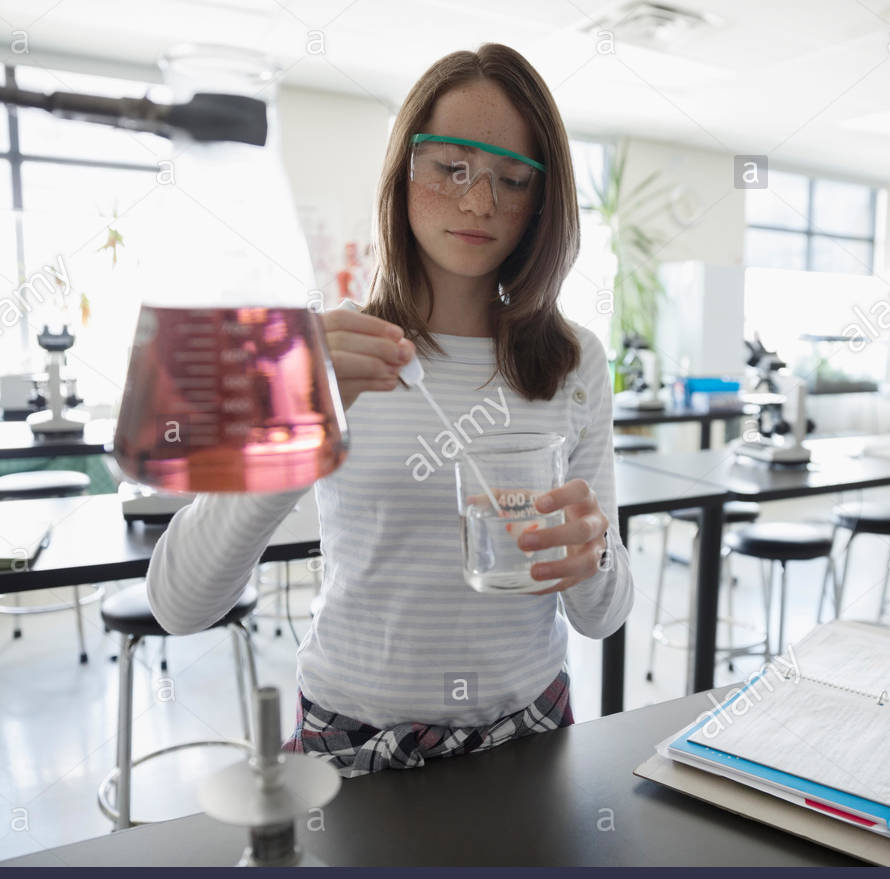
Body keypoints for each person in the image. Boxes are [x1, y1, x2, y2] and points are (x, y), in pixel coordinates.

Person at [147, 43, 634, 776]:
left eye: (511, 180)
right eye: (452, 169)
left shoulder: (572, 360)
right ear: (403, 171)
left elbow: (603, 616)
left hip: (528, 738)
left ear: (543, 203)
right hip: (352, 741)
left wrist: (590, 553)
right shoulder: (325, 352)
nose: (479, 203)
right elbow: (178, 605)